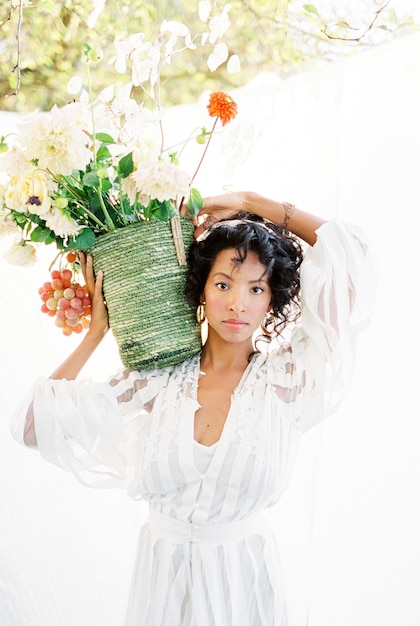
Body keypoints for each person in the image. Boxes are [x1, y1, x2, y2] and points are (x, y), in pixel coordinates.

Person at [13, 191, 375, 626]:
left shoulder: (287, 381)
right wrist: (95, 333)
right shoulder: (156, 382)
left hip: (245, 594)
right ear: (201, 290)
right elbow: (33, 427)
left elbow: (350, 256)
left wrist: (252, 202)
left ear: (270, 301)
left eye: (255, 288)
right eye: (223, 284)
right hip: (161, 597)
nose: (238, 304)